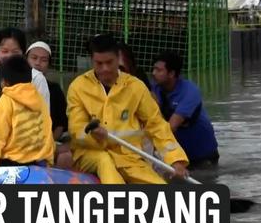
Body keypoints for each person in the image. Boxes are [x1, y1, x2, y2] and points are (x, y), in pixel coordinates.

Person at [66, 33, 189, 184]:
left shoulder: (136, 86)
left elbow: (156, 125)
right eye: (99, 64)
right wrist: (94, 136)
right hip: (91, 153)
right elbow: (76, 128)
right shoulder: (78, 87)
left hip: (129, 157)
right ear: (92, 61)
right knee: (105, 161)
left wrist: (175, 159)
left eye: (109, 62)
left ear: (118, 58)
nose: (104, 69)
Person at [0, 27, 50, 143]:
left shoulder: (36, 79)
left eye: (15, 52)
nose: (9, 56)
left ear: (23, 53)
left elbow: (44, 118)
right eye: (4, 51)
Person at [0, 55, 54, 167]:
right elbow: (46, 130)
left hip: (10, 164)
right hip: (38, 163)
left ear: (4, 82)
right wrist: (49, 160)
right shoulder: (39, 100)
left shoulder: (6, 101)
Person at [151, 51, 219, 168]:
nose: (153, 73)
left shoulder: (190, 92)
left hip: (203, 154)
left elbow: (171, 127)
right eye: (154, 69)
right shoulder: (154, 89)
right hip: (178, 155)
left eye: (159, 70)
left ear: (172, 73)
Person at [26, 40, 73, 169]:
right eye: (34, 58)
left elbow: (60, 125)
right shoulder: (16, 85)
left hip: (48, 141)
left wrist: (46, 144)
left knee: (65, 155)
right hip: (20, 142)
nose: (37, 63)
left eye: (43, 60)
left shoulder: (55, 89)